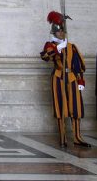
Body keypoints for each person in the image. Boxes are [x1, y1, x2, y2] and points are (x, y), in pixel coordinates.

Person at [40, 11, 91, 148]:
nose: (62, 33)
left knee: (76, 107)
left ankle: (77, 137)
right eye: (59, 32)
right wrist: (57, 49)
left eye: (63, 31)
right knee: (61, 107)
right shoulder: (50, 45)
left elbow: (79, 64)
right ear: (54, 33)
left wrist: (81, 81)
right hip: (59, 78)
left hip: (72, 78)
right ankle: (63, 138)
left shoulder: (71, 46)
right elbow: (45, 57)